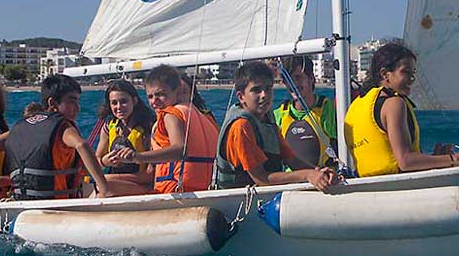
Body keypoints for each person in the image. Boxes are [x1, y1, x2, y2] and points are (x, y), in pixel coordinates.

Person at [344, 42, 459, 177]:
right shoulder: (394, 103)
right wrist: (455, 160)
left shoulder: (355, 106)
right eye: (406, 72)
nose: (412, 78)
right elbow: (405, 162)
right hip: (397, 188)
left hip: (369, 188)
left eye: (413, 72)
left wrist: (436, 159)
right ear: (385, 74)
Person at [0, 74, 109, 201]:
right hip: (57, 203)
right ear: (52, 103)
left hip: (23, 201)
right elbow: (82, 145)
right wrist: (104, 190)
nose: (77, 108)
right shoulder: (63, 127)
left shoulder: (20, 127)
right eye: (72, 101)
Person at [214, 62, 338, 191]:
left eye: (268, 89)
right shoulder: (241, 126)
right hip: (239, 203)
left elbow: (291, 159)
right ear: (241, 97)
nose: (264, 95)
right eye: (256, 90)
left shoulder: (268, 118)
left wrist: (319, 173)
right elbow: (261, 179)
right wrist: (307, 175)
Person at [110, 65, 219, 194]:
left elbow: (180, 150)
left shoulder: (170, 114)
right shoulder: (202, 115)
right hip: (205, 187)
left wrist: (138, 157)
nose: (154, 101)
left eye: (160, 94)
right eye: (150, 96)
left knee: (103, 186)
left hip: (175, 188)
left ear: (178, 93)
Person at [274, 54, 338, 169]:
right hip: (292, 182)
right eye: (289, 79)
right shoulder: (279, 114)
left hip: (324, 180)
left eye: (298, 77)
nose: (293, 84)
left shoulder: (327, 109)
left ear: (311, 78)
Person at [94, 79, 156, 196]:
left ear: (134, 101)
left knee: (103, 185)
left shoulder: (148, 128)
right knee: (102, 186)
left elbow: (151, 176)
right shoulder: (108, 127)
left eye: (124, 101)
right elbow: (96, 160)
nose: (119, 107)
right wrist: (104, 162)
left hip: (143, 185)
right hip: (114, 182)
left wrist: (110, 178)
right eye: (114, 103)